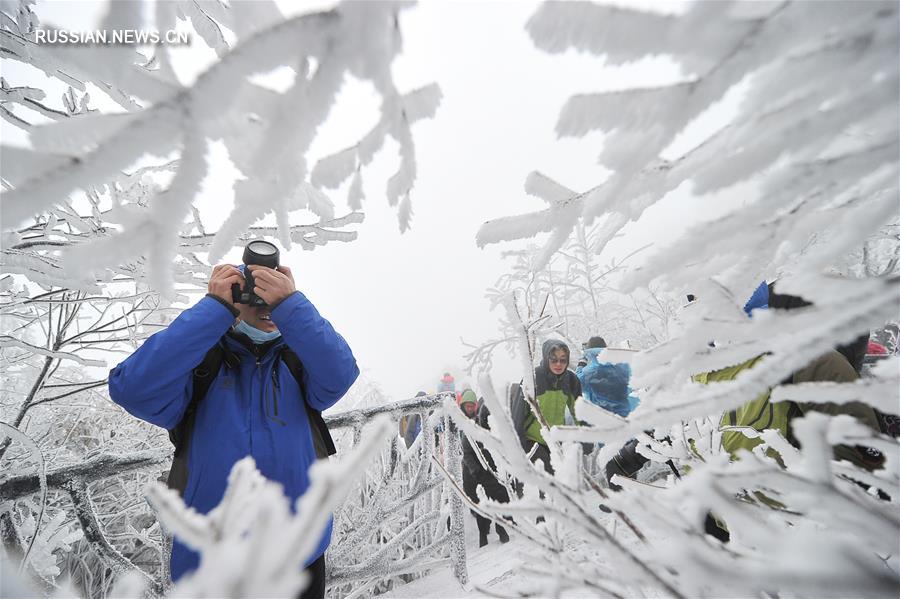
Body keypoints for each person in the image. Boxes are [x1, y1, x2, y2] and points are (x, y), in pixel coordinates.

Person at [109, 260, 359, 597]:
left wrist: (292, 306)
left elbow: (341, 374)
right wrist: (213, 310)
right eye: (255, 297)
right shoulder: (200, 364)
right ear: (233, 298)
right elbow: (131, 389)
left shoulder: (297, 359)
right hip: (211, 560)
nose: (266, 308)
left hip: (298, 550)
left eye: (273, 298)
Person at [513, 339, 582, 474]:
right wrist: (518, 446)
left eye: (563, 360)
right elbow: (518, 413)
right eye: (553, 359)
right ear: (546, 358)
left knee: (558, 481)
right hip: (531, 441)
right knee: (546, 482)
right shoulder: (533, 378)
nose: (558, 364)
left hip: (555, 443)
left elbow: (579, 412)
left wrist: (586, 439)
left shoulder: (571, 380)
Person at [460, 392, 510, 547]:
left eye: (472, 406)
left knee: (499, 497)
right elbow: (467, 452)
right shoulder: (466, 425)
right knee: (481, 503)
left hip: (491, 469)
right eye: (467, 406)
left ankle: (501, 528)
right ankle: (483, 532)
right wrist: (476, 470)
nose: (470, 408)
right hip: (474, 472)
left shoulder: (492, 425)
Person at [576, 336, 639, 418]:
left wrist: (581, 364)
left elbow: (576, 384)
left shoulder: (589, 373)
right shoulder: (624, 367)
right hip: (627, 416)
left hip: (603, 419)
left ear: (589, 352)